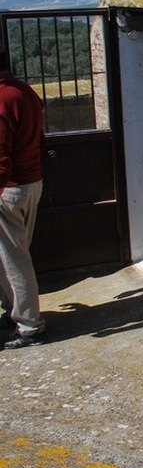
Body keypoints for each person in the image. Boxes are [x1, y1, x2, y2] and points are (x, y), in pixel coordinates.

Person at [0, 48, 46, 349]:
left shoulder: (1, 100)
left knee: (14, 260)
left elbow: (0, 157)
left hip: (9, 188)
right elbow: (40, 137)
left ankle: (29, 326)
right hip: (32, 182)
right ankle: (17, 314)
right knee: (14, 255)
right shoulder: (25, 92)